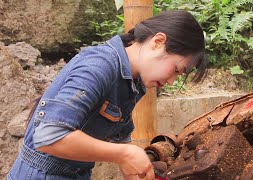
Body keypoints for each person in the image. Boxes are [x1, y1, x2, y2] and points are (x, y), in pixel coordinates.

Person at [8, 10, 208, 180]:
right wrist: (124, 154)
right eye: (176, 69)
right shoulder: (100, 66)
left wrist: (136, 164)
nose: (171, 81)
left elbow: (118, 138)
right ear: (158, 42)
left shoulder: (133, 82)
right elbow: (47, 136)